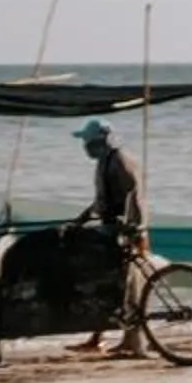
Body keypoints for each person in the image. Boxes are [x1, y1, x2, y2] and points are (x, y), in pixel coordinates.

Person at [68, 120, 149, 358]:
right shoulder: (105, 162)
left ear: (100, 140)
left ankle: (133, 343)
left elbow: (132, 196)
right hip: (110, 228)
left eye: (88, 141)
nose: (85, 147)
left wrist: (134, 228)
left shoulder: (120, 161)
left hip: (125, 231)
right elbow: (101, 200)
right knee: (107, 282)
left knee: (128, 286)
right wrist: (82, 218)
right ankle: (98, 337)